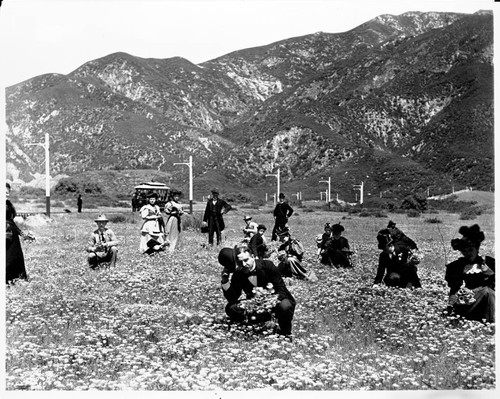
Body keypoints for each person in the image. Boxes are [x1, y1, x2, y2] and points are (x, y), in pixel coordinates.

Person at [221, 243, 296, 337]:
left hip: (274, 301)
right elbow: (233, 297)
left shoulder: (268, 266)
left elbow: (281, 290)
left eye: (246, 260)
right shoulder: (238, 273)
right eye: (240, 262)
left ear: (252, 256)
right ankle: (250, 324)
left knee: (285, 305)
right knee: (231, 308)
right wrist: (224, 281)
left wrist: (267, 303)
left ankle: (285, 333)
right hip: (255, 304)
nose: (244, 264)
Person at [445, 224, 495, 323]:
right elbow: (454, 288)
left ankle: (492, 321)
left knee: (488, 292)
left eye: (471, 250)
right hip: (466, 301)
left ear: (477, 249)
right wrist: (451, 305)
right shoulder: (456, 266)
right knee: (486, 291)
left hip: (487, 301)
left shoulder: (489, 262)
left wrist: (488, 272)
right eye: (464, 251)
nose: (468, 253)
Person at [6, 183, 28, 284]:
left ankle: (15, 280)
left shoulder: (9, 204)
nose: (6, 194)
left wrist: (23, 234)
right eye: (4, 192)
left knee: (15, 257)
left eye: (7, 192)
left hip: (12, 234)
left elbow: (12, 221)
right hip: (5, 234)